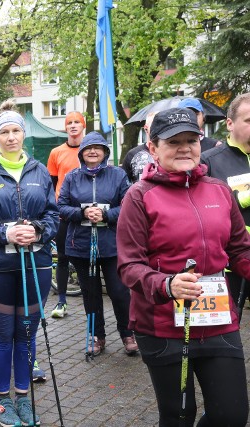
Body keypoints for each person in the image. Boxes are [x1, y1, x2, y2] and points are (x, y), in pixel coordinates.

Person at [117, 107, 250, 426]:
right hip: (162, 324)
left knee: (231, 414)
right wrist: (167, 285)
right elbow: (129, 266)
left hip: (218, 318)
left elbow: (239, 249)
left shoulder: (219, 190)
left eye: (191, 140)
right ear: (153, 148)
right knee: (178, 415)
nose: (184, 148)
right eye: (173, 142)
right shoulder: (139, 197)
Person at [0, 102, 59, 426]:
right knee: (2, 335)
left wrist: (38, 231)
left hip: (36, 264)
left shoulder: (39, 171)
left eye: (15, 130)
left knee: (27, 333)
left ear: (24, 134)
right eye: (4, 131)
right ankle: (3, 399)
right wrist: (6, 232)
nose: (10, 137)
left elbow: (53, 215)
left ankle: (23, 397)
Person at [57, 132, 137, 356]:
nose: (93, 151)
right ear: (81, 153)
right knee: (90, 293)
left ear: (105, 152)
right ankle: (97, 335)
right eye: (88, 148)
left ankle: (127, 333)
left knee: (119, 291)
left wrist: (107, 215)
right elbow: (60, 206)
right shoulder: (72, 177)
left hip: (111, 244)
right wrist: (83, 212)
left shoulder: (118, 175)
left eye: (98, 148)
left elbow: (128, 205)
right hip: (82, 246)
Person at [201, 92, 250, 311]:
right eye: (249, 121)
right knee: (226, 328)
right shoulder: (209, 161)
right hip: (229, 262)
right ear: (229, 123)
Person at [47, 111, 83, 319]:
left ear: (83, 126)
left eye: (77, 122)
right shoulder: (56, 152)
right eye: (69, 122)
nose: (73, 125)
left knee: (85, 260)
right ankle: (61, 301)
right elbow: (51, 184)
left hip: (85, 214)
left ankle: (90, 298)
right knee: (62, 257)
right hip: (63, 214)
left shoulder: (91, 149)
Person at [120, 111, 158, 183]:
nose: (158, 128)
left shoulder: (170, 152)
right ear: (146, 128)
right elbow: (122, 184)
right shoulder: (132, 154)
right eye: (154, 125)